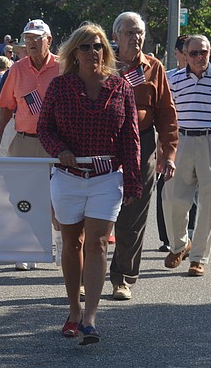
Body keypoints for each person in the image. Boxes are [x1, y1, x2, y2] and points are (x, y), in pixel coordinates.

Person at [37, 22, 141, 345]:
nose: (93, 52)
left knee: (97, 243)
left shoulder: (120, 86)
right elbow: (44, 129)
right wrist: (60, 151)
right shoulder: (59, 86)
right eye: (86, 47)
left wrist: (134, 181)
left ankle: (91, 318)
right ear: (74, 53)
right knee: (73, 243)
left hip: (106, 177)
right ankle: (73, 310)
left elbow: (131, 138)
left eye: (98, 46)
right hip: (68, 177)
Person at [106, 12, 178, 301]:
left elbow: (166, 114)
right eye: (129, 32)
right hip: (105, 145)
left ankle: (122, 277)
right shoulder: (101, 64)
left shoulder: (154, 67)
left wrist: (168, 153)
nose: (136, 38)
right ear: (115, 36)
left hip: (143, 145)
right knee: (95, 213)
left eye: (140, 33)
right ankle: (86, 277)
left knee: (133, 215)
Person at [163, 35, 211, 277]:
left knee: (209, 203)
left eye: (204, 52)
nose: (200, 57)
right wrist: (162, 148)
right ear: (185, 54)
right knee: (173, 199)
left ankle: (198, 258)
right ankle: (179, 245)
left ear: (209, 53)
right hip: (182, 140)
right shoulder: (172, 79)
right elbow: (165, 116)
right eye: (195, 53)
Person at [0, 19, 60, 270]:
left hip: (56, 143)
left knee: (58, 197)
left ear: (48, 40)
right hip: (25, 140)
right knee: (21, 197)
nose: (30, 44)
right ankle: (26, 248)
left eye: (36, 39)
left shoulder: (63, 67)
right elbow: (5, 104)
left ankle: (63, 246)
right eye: (27, 39)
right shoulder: (17, 69)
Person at [157, 34, 196, 253]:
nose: (191, 57)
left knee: (192, 191)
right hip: (171, 139)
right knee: (167, 190)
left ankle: (189, 233)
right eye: (187, 52)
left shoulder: (205, 76)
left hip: (194, 141)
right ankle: (167, 237)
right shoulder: (167, 77)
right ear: (177, 54)